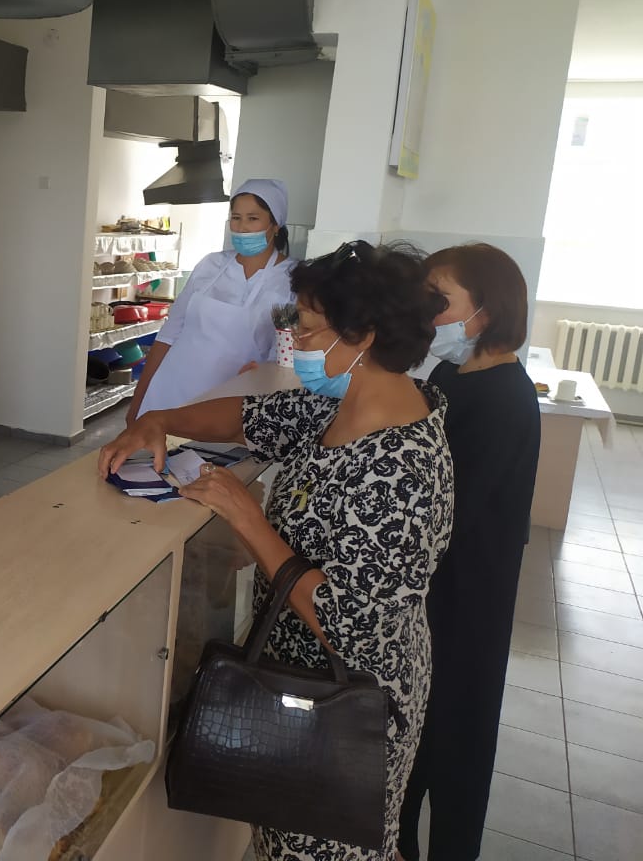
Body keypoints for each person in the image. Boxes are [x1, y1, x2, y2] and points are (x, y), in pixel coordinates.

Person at [100, 241, 453, 861]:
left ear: (364, 337)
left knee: (324, 846)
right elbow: (252, 416)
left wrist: (250, 521)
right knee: (281, 833)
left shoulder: (402, 467)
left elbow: (353, 628)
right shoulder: (349, 408)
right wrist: (161, 420)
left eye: (309, 331)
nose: (298, 345)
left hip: (347, 704)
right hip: (295, 682)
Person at [397, 245, 541, 861]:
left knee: (457, 739)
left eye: (441, 298)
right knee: (413, 739)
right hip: (435, 588)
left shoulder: (507, 398)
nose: (429, 310)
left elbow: (454, 507)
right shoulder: (450, 376)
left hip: (469, 595)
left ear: (486, 309)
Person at [128, 178, 296, 421]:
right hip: (169, 391)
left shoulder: (292, 279)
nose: (242, 228)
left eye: (253, 218)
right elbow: (168, 335)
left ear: (276, 225)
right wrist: (138, 400)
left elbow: (283, 357)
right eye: (236, 218)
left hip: (228, 403)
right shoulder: (210, 265)